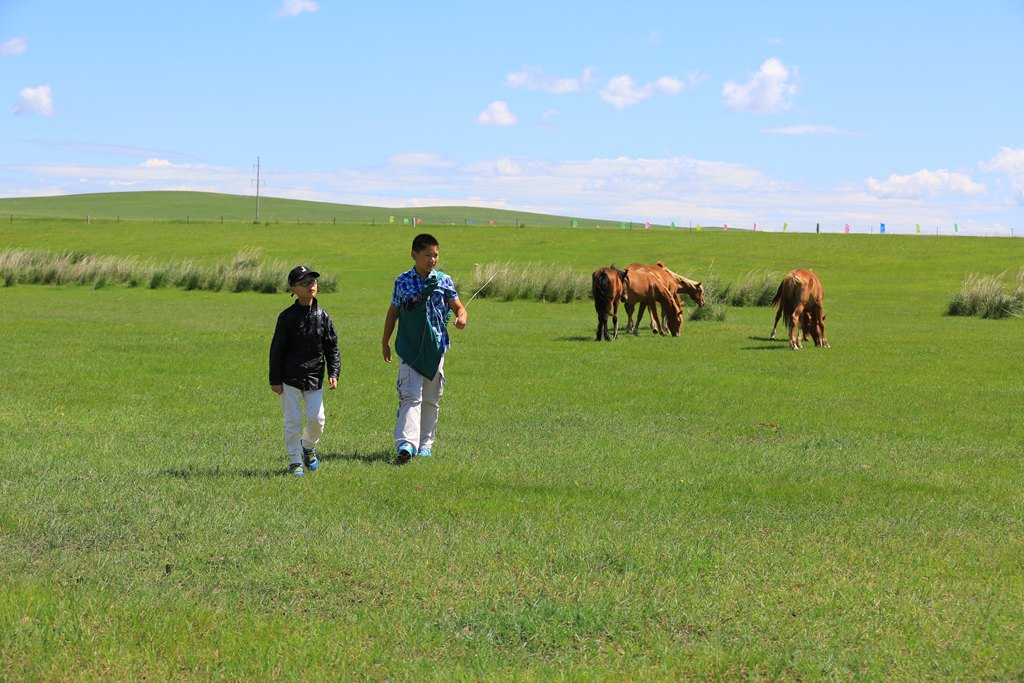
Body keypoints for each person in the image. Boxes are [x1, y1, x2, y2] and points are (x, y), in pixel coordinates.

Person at [382, 234, 467, 463]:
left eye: (436, 255)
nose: (432, 260)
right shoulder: (403, 281)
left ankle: (425, 446)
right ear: (414, 255)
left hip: (436, 348)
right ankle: (406, 445)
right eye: (428, 255)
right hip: (410, 348)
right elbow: (393, 312)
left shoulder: (444, 280)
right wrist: (385, 341)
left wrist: (461, 319)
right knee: (410, 396)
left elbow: (459, 307)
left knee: (431, 398)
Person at [269, 265, 341, 476]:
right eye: (305, 283)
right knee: (292, 421)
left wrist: (334, 373)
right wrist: (275, 380)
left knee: (317, 419)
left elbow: (332, 347)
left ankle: (308, 446)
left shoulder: (323, 316)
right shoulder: (286, 317)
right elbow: (277, 350)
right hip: (289, 378)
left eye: (313, 282)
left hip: (315, 376)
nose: (311, 286)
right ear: (293, 288)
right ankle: (295, 462)